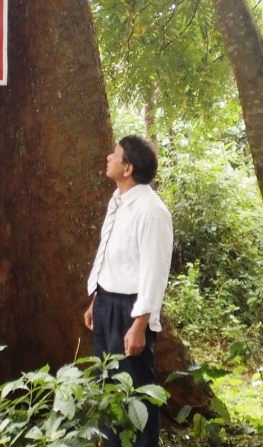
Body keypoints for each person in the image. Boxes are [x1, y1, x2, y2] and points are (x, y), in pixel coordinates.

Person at [84, 134, 173, 447]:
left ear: (128, 168)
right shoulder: (118, 200)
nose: (108, 157)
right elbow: (109, 251)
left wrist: (140, 324)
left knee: (135, 389)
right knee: (108, 384)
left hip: (132, 310)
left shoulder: (152, 211)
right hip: (107, 303)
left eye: (115, 154)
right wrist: (96, 298)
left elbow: (154, 271)